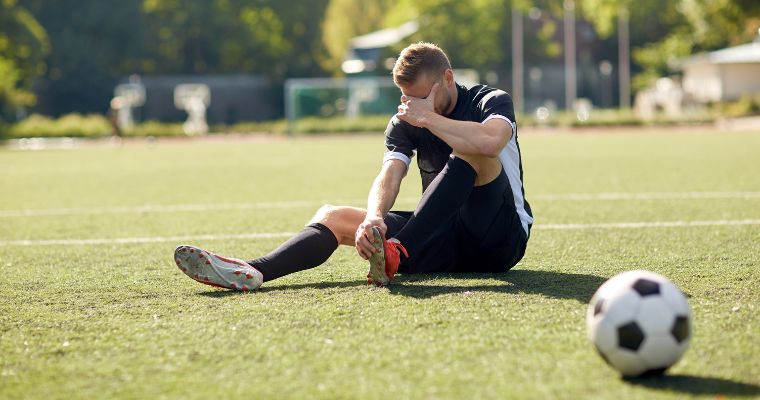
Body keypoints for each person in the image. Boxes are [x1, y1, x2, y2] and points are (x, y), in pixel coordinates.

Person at [173, 42, 533, 291]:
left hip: (498, 240)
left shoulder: (489, 99)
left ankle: (397, 250)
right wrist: (375, 217)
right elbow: (390, 173)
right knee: (334, 214)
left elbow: (490, 142)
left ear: (448, 79)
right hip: (440, 238)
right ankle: (254, 270)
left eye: (421, 97)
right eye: (405, 97)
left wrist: (429, 119)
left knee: (472, 151)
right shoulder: (405, 118)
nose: (411, 106)